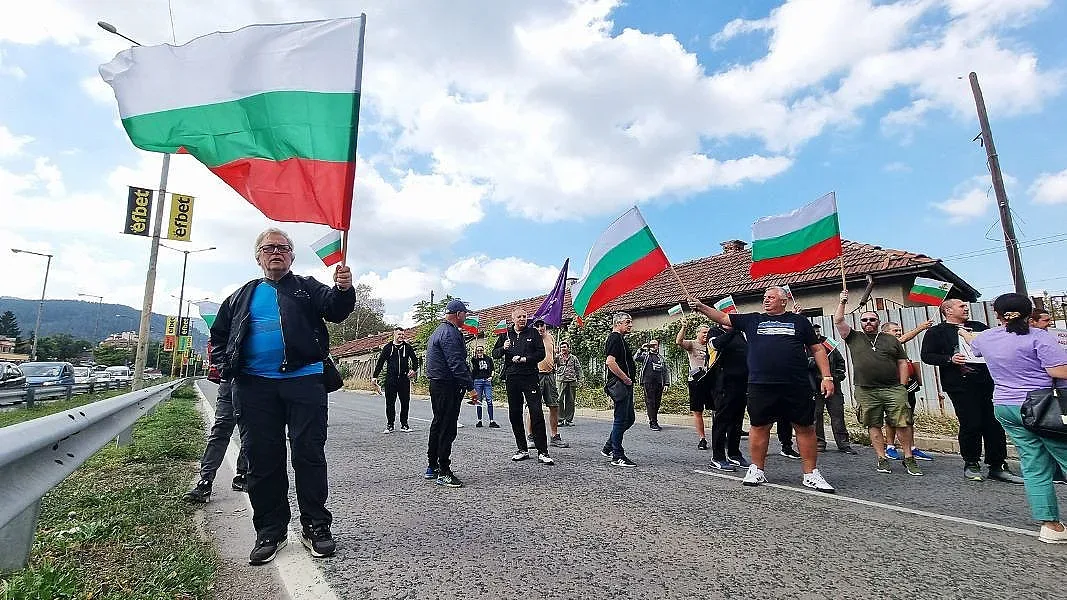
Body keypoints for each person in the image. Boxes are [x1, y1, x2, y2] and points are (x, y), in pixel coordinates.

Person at [210, 228, 355, 565]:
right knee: (262, 458)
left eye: (283, 247)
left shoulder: (306, 287)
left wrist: (344, 289)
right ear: (258, 256)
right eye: (268, 247)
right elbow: (219, 336)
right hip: (253, 386)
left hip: (305, 381)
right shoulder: (241, 296)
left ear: (291, 255)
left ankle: (315, 526)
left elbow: (335, 309)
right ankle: (270, 531)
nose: (276, 252)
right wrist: (224, 366)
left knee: (309, 454)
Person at [688, 287, 836, 493]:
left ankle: (810, 474)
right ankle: (757, 469)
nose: (766, 300)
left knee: (805, 428)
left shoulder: (799, 322)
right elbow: (722, 316)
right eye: (765, 297)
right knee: (759, 426)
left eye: (771, 297)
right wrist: (701, 307)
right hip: (761, 385)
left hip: (796, 384)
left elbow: (817, 349)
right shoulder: (753, 320)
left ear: (783, 301)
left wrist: (827, 376)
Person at [969, 293, 1067, 543]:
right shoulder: (1039, 337)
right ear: (1029, 313)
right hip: (1043, 405)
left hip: (1005, 406)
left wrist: (964, 334)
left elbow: (975, 347)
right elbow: (1057, 370)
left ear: (997, 313)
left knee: (1033, 463)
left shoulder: (987, 337)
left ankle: (1050, 526)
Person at [920, 299, 1023, 484]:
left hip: (987, 382)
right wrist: (950, 359)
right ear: (948, 310)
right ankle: (971, 463)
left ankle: (997, 465)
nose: (966, 308)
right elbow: (927, 356)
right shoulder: (936, 332)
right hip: (960, 385)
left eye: (966, 306)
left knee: (994, 423)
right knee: (971, 423)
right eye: (961, 306)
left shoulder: (978, 327)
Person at [834, 293, 921, 476]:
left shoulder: (890, 339)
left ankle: (908, 457)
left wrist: (902, 386)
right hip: (866, 390)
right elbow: (839, 320)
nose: (868, 322)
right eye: (864, 320)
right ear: (861, 323)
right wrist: (842, 302)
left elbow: (902, 362)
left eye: (872, 319)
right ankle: (882, 459)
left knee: (902, 423)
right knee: (873, 424)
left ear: (878, 321)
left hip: (893, 388)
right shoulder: (853, 337)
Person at [424, 299, 478, 488]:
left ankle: (432, 466)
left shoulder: (438, 331)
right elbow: (456, 363)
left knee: (438, 424)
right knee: (447, 427)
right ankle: (444, 471)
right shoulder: (450, 333)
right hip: (447, 386)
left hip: (437, 384)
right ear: (458, 314)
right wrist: (470, 388)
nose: (466, 317)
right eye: (465, 314)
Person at [492, 308, 554, 465]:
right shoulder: (505, 334)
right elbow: (495, 354)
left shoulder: (533, 333)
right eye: (519, 316)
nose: (522, 319)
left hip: (530, 376)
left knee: (536, 412)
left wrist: (526, 359)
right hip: (512, 377)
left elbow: (541, 354)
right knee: (515, 413)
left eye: (524, 316)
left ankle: (543, 451)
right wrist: (503, 348)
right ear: (513, 318)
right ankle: (522, 449)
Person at [183, 377, 250, 502]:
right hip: (231, 383)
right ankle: (205, 481)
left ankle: (243, 475)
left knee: (249, 434)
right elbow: (217, 358)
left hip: (254, 385)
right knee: (221, 431)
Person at [881, 320, 936, 461]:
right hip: (893, 388)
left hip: (908, 387)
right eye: (895, 330)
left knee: (909, 418)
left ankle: (911, 447)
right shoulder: (884, 344)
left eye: (899, 330)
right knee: (892, 419)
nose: (899, 333)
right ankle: (890, 447)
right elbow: (903, 339)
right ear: (885, 333)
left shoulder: (898, 348)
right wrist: (921, 327)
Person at [706, 323, 749, 471]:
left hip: (741, 384)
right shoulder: (715, 332)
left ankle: (734, 453)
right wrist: (733, 331)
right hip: (723, 384)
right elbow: (716, 345)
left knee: (737, 422)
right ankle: (717, 457)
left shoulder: (740, 335)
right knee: (722, 421)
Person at [809, 324, 856, 455]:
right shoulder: (803, 344)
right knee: (816, 416)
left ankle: (844, 444)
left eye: (818, 331)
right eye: (814, 331)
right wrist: (812, 362)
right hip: (815, 386)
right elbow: (801, 363)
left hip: (833, 385)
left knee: (838, 415)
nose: (817, 333)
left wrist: (839, 375)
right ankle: (819, 444)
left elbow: (841, 362)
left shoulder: (828, 344)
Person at [600, 312, 638, 467]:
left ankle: (609, 446)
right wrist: (625, 378)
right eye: (627, 322)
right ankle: (617, 455)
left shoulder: (620, 339)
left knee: (629, 419)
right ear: (617, 323)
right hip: (621, 385)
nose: (630, 325)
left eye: (630, 322)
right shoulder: (615, 338)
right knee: (621, 419)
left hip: (626, 385)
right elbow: (610, 362)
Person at [373, 327, 420, 433]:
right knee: (390, 403)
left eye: (403, 334)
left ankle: (404, 424)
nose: (401, 336)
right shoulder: (388, 348)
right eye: (399, 334)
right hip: (391, 379)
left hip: (404, 379)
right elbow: (380, 363)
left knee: (405, 402)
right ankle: (390, 424)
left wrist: (414, 370)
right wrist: (374, 377)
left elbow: (415, 360)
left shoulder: (407, 347)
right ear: (394, 335)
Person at [675, 319, 712, 450]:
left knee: (717, 410)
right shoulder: (692, 344)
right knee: (698, 411)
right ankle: (702, 439)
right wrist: (684, 327)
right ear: (698, 333)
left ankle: (721, 436)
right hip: (696, 381)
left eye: (708, 332)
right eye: (704, 332)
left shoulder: (712, 345)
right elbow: (679, 342)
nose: (706, 334)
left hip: (711, 381)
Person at [534, 318, 569, 448]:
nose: (539, 328)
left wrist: (557, 358)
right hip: (536, 375)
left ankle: (554, 436)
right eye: (536, 326)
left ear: (545, 326)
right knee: (534, 406)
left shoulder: (551, 337)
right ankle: (531, 436)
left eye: (541, 325)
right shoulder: (531, 338)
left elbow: (553, 357)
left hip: (550, 375)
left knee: (554, 406)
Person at [634, 338, 669, 431]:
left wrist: (666, 384)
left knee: (657, 403)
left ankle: (655, 420)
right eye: (652, 344)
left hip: (659, 383)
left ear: (658, 346)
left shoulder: (661, 358)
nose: (654, 346)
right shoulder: (646, 356)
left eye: (655, 344)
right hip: (648, 382)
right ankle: (652, 422)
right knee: (650, 402)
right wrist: (642, 348)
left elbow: (665, 371)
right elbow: (636, 358)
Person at [555, 340, 582, 427]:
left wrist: (580, 379)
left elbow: (578, 369)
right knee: (559, 400)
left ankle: (569, 419)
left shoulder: (573, 358)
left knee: (570, 401)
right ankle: (560, 419)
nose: (563, 348)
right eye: (562, 347)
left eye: (565, 347)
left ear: (568, 348)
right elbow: (551, 363)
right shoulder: (557, 357)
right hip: (561, 380)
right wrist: (554, 354)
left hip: (571, 381)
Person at [470, 345, 499, 428]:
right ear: (476, 351)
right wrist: (476, 358)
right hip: (478, 381)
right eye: (478, 350)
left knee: (489, 400)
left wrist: (491, 377)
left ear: (483, 351)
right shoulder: (474, 359)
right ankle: (479, 420)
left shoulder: (488, 359)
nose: (479, 352)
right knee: (478, 401)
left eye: (481, 350)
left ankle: (491, 421)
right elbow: (474, 368)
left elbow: (492, 369)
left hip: (487, 381)